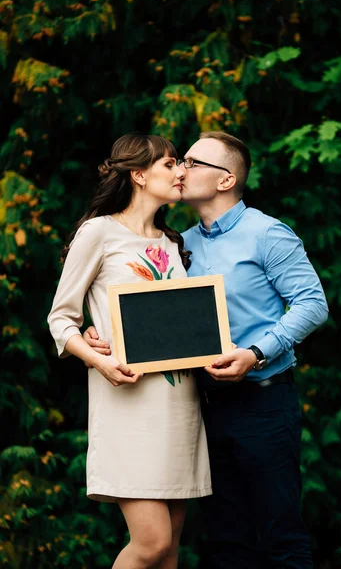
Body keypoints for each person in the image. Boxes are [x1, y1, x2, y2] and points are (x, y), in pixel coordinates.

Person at [85, 131, 329, 568]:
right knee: (226, 540)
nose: (182, 169)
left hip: (264, 400)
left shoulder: (267, 233)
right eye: (178, 162)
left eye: (193, 163)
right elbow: (149, 312)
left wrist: (255, 353)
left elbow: (313, 304)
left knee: (281, 534)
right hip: (202, 406)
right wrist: (95, 330)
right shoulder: (178, 244)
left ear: (225, 180)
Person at [47, 134, 212, 569]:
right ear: (139, 175)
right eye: (171, 164)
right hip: (128, 403)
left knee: (171, 547)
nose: (182, 173)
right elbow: (60, 320)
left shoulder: (175, 244)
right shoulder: (98, 231)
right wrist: (98, 357)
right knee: (152, 542)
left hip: (180, 403)